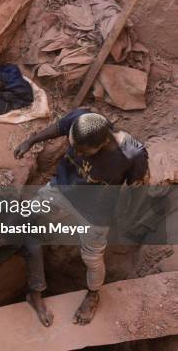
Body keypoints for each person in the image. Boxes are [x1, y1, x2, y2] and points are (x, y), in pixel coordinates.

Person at [14, 109, 148, 325]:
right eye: (73, 146)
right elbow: (59, 127)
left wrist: (129, 216)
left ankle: (93, 294)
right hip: (61, 188)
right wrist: (30, 141)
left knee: (92, 259)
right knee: (26, 216)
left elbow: (138, 189)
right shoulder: (84, 119)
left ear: (103, 143)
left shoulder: (132, 154)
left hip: (95, 212)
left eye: (82, 151)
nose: (76, 152)